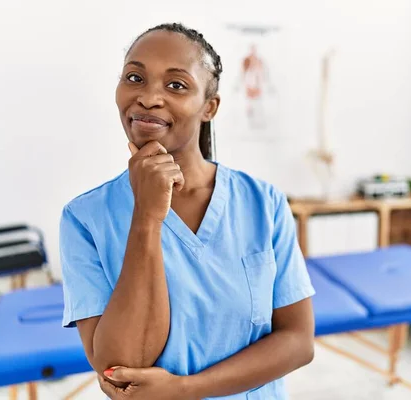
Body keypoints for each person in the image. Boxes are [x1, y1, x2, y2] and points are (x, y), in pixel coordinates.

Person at [59, 22, 315, 400]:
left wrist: (184, 389)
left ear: (209, 107)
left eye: (176, 85)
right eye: (134, 77)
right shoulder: (84, 218)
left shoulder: (263, 203)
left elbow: (297, 341)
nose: (148, 98)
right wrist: (146, 216)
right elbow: (118, 370)